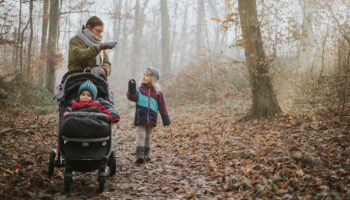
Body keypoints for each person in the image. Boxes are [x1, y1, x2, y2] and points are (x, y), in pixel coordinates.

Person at [127, 67, 171, 164]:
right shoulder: (139, 89)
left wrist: (165, 118)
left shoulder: (158, 92)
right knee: (141, 135)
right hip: (141, 116)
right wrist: (131, 87)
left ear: (153, 78)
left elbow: (162, 105)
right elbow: (132, 97)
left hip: (152, 117)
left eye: (147, 75)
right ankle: (140, 155)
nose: (144, 76)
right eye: (144, 74)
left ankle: (146, 154)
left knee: (148, 136)